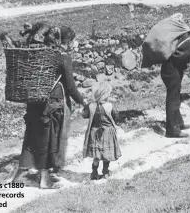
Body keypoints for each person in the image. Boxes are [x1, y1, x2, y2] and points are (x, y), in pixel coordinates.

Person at [12, 26, 88, 189]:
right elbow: (71, 88)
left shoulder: (37, 53)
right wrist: (84, 102)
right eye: (72, 41)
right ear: (66, 42)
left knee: (32, 133)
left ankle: (20, 173)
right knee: (48, 138)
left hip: (33, 100)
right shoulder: (63, 58)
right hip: (52, 103)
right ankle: (44, 178)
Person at [82, 82, 121, 180]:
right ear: (106, 95)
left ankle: (94, 172)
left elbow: (84, 115)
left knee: (97, 155)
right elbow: (116, 116)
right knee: (106, 154)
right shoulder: (109, 106)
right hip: (107, 132)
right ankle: (105, 172)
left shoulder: (91, 106)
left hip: (94, 132)